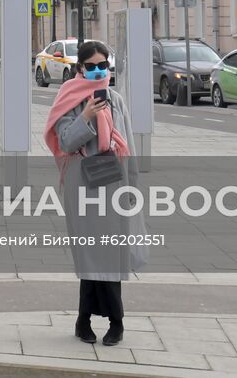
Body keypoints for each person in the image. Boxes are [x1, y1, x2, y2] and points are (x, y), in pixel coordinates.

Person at [43, 40, 144, 347]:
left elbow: (128, 144)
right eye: (92, 66)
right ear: (79, 68)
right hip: (81, 184)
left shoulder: (115, 99)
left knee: (112, 252)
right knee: (89, 253)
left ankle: (115, 322)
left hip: (114, 182)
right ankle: (85, 320)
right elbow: (65, 142)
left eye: (104, 66)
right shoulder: (68, 98)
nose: (99, 71)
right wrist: (86, 115)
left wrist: (133, 187)